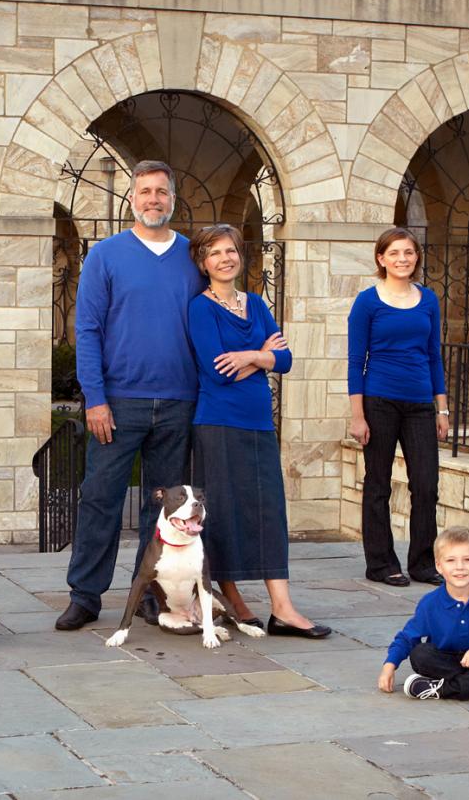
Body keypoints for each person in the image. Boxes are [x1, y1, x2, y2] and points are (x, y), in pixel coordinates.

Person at [57, 161, 204, 631]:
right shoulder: (105, 255)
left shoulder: (192, 256)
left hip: (179, 401)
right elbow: (88, 329)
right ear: (132, 199)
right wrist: (94, 399)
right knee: (100, 497)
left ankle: (151, 594)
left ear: (173, 200)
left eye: (162, 191)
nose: (153, 199)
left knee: (164, 510)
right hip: (118, 403)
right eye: (145, 191)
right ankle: (85, 595)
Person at [185, 225, 330, 640]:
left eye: (231, 250)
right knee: (226, 513)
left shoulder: (256, 303)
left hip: (259, 423)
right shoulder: (200, 308)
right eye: (215, 253)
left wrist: (251, 356)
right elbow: (218, 369)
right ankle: (231, 596)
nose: (225, 258)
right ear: (203, 262)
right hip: (217, 422)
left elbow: (286, 358)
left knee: (269, 512)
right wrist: (264, 357)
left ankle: (283, 608)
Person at [348, 227, 450, 589]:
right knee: (378, 484)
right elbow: (356, 360)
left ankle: (422, 563)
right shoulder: (367, 302)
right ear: (381, 259)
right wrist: (357, 415)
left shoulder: (428, 300)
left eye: (408, 253)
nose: (402, 259)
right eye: (394, 253)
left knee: (426, 484)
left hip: (421, 404)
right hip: (379, 401)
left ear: (416, 257)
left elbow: (434, 356)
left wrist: (442, 409)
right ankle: (380, 563)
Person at [377, 526, 469, 701]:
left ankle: (443, 689)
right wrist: (389, 666)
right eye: (451, 560)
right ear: (439, 566)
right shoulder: (430, 603)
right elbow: (408, 638)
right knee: (420, 655)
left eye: (467, 559)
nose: (459, 567)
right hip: (444, 661)